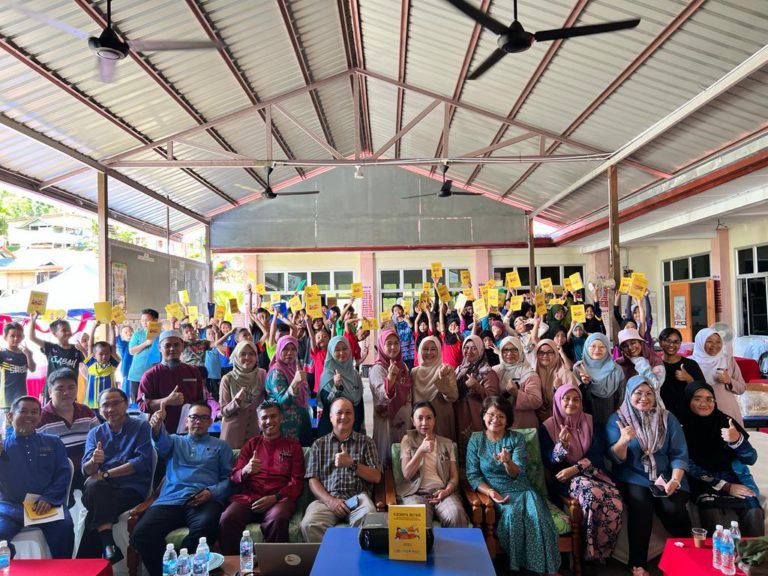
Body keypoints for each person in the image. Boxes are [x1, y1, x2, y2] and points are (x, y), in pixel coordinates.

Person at [131, 400, 232, 576]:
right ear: (186, 420)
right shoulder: (175, 441)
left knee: (204, 529)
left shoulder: (221, 446)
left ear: (210, 421)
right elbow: (161, 443)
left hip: (203, 500)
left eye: (203, 418)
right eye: (193, 417)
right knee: (141, 533)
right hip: (171, 499)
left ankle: (184, 571)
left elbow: (229, 480)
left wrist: (211, 493)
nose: (198, 421)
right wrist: (157, 426)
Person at [606, 376, 692, 576]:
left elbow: (679, 453)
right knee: (640, 504)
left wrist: (675, 479)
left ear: (655, 396)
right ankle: (638, 564)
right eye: (638, 393)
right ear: (629, 395)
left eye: (649, 393)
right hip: (633, 475)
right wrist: (624, 441)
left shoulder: (667, 418)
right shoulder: (617, 420)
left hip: (667, 475)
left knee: (671, 506)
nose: (643, 398)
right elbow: (616, 459)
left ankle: (690, 549)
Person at [466, 396, 560, 575]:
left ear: (508, 419)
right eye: (491, 414)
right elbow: (473, 476)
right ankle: (521, 568)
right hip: (497, 493)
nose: (496, 419)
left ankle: (545, 569)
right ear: (483, 416)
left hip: (522, 490)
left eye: (501, 416)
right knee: (512, 516)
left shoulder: (516, 438)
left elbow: (517, 473)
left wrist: (508, 462)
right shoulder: (476, 440)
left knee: (538, 517)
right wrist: (491, 492)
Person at [540, 385, 624, 562]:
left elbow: (597, 451)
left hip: (594, 473)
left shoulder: (591, 422)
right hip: (564, 479)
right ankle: (585, 551)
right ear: (558, 400)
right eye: (566, 398)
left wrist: (576, 468)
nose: (571, 403)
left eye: (576, 399)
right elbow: (549, 460)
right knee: (591, 494)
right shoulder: (548, 427)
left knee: (615, 501)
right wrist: (561, 447)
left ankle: (602, 552)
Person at [679, 381, 764, 536]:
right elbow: (687, 464)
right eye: (697, 398)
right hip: (703, 481)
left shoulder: (725, 421)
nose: (704, 403)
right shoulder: (681, 427)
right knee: (715, 517)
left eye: (709, 398)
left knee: (754, 511)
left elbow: (751, 458)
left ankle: (755, 556)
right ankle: (720, 558)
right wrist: (725, 486)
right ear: (688, 400)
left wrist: (737, 441)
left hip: (733, 476)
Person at [218, 400, 304, 551]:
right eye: (264, 418)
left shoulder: (293, 446)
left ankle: (274, 566)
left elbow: (297, 482)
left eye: (273, 416)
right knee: (227, 518)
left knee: (279, 518)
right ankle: (235, 568)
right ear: (259, 423)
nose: (269, 421)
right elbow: (234, 476)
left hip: (279, 499)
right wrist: (246, 470)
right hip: (249, 497)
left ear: (281, 418)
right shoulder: (251, 445)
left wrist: (275, 497)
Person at [80, 388, 153, 564]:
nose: (111, 409)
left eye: (115, 403)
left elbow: (141, 462)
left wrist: (105, 473)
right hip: (102, 489)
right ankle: (108, 547)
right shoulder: (95, 433)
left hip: (131, 488)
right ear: (99, 409)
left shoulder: (141, 426)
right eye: (105, 405)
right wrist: (93, 461)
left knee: (93, 513)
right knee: (93, 485)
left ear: (126, 404)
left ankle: (91, 560)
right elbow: (87, 470)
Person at [0, 396, 74, 559]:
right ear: (10, 416)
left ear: (40, 417)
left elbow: (63, 473)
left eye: (34, 412)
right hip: (10, 508)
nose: (29, 416)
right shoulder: (2, 446)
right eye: (23, 411)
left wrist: (49, 498)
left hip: (47, 506)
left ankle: (63, 571)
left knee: (65, 528)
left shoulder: (53, 442)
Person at [300, 397, 382, 543]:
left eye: (348, 413)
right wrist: (331, 501)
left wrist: (352, 464)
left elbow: (376, 476)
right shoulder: (319, 444)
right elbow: (312, 480)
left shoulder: (366, 442)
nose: (344, 416)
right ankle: (329, 563)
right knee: (309, 524)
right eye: (339, 413)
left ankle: (355, 562)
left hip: (358, 499)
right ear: (331, 417)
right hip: (327, 500)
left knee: (369, 520)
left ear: (354, 417)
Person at [396, 401, 468, 527]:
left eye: (429, 418)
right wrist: (421, 450)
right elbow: (407, 474)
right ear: (413, 421)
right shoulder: (407, 440)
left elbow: (454, 477)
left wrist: (446, 491)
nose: (424, 423)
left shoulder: (446, 443)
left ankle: (453, 547)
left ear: (435, 420)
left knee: (456, 515)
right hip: (416, 493)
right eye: (420, 418)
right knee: (417, 520)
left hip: (442, 492)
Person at [38, 368, 99, 499]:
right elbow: (37, 452)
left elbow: (100, 439)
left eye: (71, 387)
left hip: (87, 471)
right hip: (56, 475)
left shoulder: (86, 411)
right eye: (60, 389)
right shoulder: (40, 418)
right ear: (50, 392)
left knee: (99, 496)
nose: (66, 393)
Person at [138, 330, 205, 434]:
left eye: (176, 345)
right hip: (161, 431)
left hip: (189, 432)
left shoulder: (193, 371)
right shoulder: (150, 375)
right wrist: (167, 401)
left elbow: (201, 401)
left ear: (182, 346)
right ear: (160, 348)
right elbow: (143, 406)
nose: (172, 349)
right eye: (167, 345)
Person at [368, 330, 412, 467]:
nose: (393, 347)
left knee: (404, 456)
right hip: (387, 420)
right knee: (387, 453)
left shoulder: (403, 366)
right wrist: (390, 379)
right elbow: (381, 395)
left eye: (396, 343)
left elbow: (408, 391)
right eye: (389, 344)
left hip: (404, 419)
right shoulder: (377, 369)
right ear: (381, 345)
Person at [455, 335, 500, 460]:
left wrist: (476, 386)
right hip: (459, 416)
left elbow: (493, 398)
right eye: (466, 348)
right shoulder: (459, 369)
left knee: (480, 454)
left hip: (477, 418)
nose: (469, 351)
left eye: (474, 348)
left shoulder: (487, 372)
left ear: (480, 350)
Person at [691, 327, 746, 427]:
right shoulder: (689, 363)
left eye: (718, 342)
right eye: (709, 341)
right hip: (699, 412)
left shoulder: (728, 361)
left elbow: (742, 388)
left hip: (727, 412)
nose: (714, 345)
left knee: (731, 440)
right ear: (700, 342)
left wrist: (729, 381)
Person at [264, 335, 313, 447]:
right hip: (286, 427)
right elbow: (283, 402)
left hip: (300, 422)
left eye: (293, 349)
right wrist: (295, 383)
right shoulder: (277, 372)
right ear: (279, 349)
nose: (290, 353)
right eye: (285, 349)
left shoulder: (293, 367)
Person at [219, 341, 266, 449]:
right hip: (232, 434)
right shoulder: (227, 379)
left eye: (251, 354)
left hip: (254, 432)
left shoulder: (262, 375)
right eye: (243, 354)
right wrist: (236, 401)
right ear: (236, 356)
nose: (247, 357)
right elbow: (223, 411)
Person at [28, 313, 85, 402]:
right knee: (50, 413)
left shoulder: (76, 349)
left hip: (70, 389)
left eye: (69, 330)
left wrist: (84, 351)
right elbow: (32, 337)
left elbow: (90, 363)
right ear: (55, 334)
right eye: (63, 330)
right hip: (52, 389)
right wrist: (33, 320)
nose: (67, 332)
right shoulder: (50, 347)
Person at [410, 336, 458, 440]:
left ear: (439, 351)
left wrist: (443, 380)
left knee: (442, 452)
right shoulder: (414, 372)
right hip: (421, 421)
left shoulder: (446, 369)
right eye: (425, 349)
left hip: (441, 419)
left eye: (433, 349)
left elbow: (453, 397)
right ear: (419, 350)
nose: (429, 353)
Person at [573, 333, 626, 426]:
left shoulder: (616, 370)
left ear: (608, 349)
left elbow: (621, 397)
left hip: (610, 417)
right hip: (584, 419)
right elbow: (576, 396)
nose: (597, 350)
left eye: (602, 346)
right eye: (593, 346)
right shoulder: (578, 368)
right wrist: (585, 385)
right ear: (586, 347)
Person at [317, 336, 365, 437]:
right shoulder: (327, 375)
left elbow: (359, 404)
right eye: (337, 350)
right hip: (331, 431)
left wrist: (360, 428)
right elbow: (326, 404)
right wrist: (336, 387)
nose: (342, 353)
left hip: (353, 428)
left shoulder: (355, 375)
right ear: (330, 352)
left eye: (345, 348)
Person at [492, 336, 542, 430]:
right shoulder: (495, 371)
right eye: (505, 350)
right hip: (499, 424)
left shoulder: (528, 373)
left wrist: (516, 393)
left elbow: (536, 401)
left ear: (520, 351)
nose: (509, 353)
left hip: (522, 425)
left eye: (514, 349)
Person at [658, 327, 705, 417]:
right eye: (668, 341)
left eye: (676, 342)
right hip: (661, 413)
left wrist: (688, 379)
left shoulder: (690, 364)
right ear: (660, 343)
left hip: (686, 413)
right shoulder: (654, 365)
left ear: (680, 344)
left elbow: (703, 390)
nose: (671, 345)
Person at [533, 339, 578, 423]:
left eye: (550, 352)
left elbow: (574, 402)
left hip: (561, 420)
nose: (545, 356)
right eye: (541, 352)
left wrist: (559, 389)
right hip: (536, 418)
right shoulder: (533, 373)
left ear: (556, 354)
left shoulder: (565, 374)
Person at [126, 309, 162, 403]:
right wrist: (146, 343)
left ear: (155, 321)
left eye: (147, 320)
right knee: (136, 403)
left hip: (155, 373)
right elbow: (131, 351)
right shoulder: (138, 333)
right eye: (142, 320)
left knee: (153, 401)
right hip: (137, 373)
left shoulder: (162, 334)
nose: (144, 323)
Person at [83, 321, 121, 409]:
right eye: (101, 354)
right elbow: (90, 345)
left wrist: (112, 328)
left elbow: (113, 345)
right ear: (94, 355)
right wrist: (93, 328)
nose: (104, 356)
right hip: (92, 403)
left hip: (109, 403)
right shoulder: (91, 363)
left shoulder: (112, 363)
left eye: (107, 353)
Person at [616, 327, 664, 393]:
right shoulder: (619, 364)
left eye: (633, 343)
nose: (630, 348)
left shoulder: (655, 361)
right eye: (625, 346)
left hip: (650, 401)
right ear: (622, 350)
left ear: (641, 343)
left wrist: (639, 361)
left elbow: (655, 386)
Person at [0, 322, 35, 407]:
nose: (16, 338)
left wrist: (29, 355)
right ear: (5, 337)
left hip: (22, 394)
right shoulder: (2, 353)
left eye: (19, 336)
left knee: (21, 417)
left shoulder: (25, 353)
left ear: (22, 337)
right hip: (6, 395)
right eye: (12, 336)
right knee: (7, 419)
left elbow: (32, 369)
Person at [392, 304, 415, 371]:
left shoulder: (409, 319)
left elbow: (413, 329)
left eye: (399, 309)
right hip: (402, 351)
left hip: (412, 350)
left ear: (402, 310)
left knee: (412, 370)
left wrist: (408, 320)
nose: (397, 312)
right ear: (393, 313)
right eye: (395, 311)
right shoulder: (394, 325)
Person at [115, 324, 134, 396]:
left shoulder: (138, 343)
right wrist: (117, 330)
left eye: (130, 331)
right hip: (127, 369)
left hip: (137, 369)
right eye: (126, 332)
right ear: (122, 336)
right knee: (127, 387)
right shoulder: (124, 344)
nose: (129, 333)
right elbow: (118, 342)